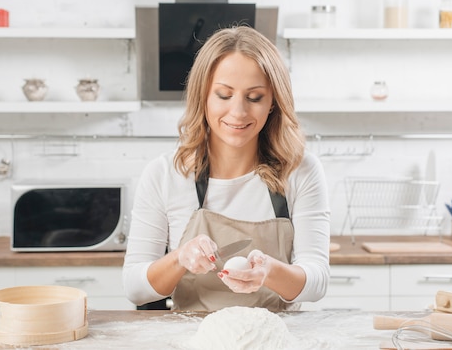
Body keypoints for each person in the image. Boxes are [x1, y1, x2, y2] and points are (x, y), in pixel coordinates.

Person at [122, 26, 330, 312]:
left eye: (254, 97)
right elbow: (135, 289)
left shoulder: (300, 170)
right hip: (193, 340)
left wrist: (269, 272)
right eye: (223, 95)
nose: (238, 112)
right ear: (203, 96)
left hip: (274, 337)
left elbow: (317, 282)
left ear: (273, 103)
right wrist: (179, 258)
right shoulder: (164, 175)